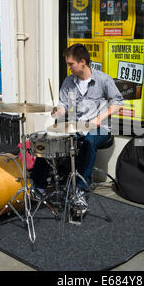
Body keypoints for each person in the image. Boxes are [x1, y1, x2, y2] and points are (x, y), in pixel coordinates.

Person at [30, 43, 123, 213]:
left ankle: (80, 190)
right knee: (49, 140)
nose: (69, 67)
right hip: (76, 126)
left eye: (71, 64)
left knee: (89, 141)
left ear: (82, 62)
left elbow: (118, 103)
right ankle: (39, 185)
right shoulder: (68, 81)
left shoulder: (102, 79)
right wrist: (59, 111)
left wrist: (98, 118)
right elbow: (64, 104)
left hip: (100, 127)